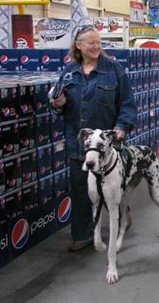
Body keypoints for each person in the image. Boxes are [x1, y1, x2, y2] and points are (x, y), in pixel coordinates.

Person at [50, 26, 137, 252]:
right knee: (80, 191)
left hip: (107, 147)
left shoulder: (114, 70)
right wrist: (57, 105)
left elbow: (127, 103)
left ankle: (121, 220)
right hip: (79, 144)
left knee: (111, 190)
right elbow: (60, 105)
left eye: (99, 42)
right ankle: (82, 235)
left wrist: (121, 127)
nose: (97, 46)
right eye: (91, 43)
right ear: (79, 45)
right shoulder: (69, 72)